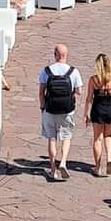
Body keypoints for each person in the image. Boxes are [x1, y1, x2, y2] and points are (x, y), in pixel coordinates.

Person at [38, 43, 83, 181]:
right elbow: (79, 91)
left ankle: (52, 169)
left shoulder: (47, 71)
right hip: (66, 110)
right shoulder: (73, 71)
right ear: (66, 55)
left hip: (50, 109)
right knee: (66, 137)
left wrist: (42, 107)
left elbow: (41, 93)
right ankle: (63, 162)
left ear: (55, 55)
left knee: (52, 138)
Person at [84, 53, 111, 177]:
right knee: (109, 135)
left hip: (98, 108)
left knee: (97, 138)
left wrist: (86, 113)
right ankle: (109, 159)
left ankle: (98, 167)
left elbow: (89, 98)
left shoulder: (94, 80)